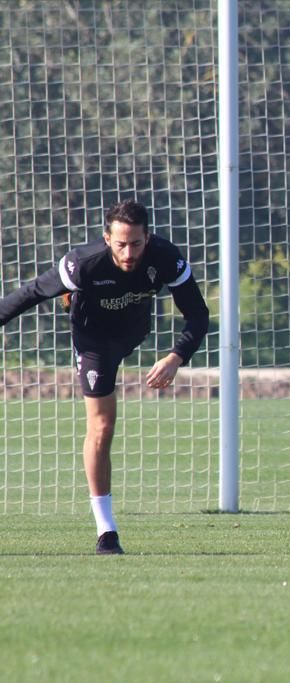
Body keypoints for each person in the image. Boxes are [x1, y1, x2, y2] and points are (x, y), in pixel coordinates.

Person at [0, 200, 210, 555]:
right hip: (92, 338)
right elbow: (30, 294)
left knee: (107, 416)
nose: (129, 253)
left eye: (137, 244)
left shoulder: (165, 257)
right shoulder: (82, 263)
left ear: (149, 238)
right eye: (121, 244)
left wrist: (176, 357)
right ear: (107, 239)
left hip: (134, 330)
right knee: (102, 426)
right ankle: (106, 531)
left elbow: (198, 315)